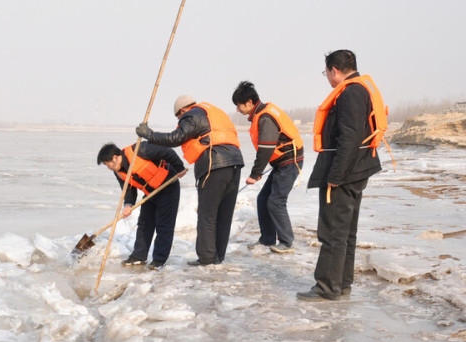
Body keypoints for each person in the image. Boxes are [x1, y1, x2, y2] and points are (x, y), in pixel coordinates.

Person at [298, 49, 387, 301]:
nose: (327, 77)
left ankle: (327, 287)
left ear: (334, 70)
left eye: (326, 72)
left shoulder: (350, 92)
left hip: (345, 171)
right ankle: (341, 283)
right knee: (346, 231)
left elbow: (349, 137)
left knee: (333, 231)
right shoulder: (360, 89)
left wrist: (335, 175)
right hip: (358, 168)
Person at [136, 96, 244, 266]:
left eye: (178, 117)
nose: (180, 121)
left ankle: (207, 258)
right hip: (235, 164)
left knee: (207, 214)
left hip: (213, 164)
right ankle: (217, 257)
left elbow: (176, 138)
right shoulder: (211, 112)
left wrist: (149, 134)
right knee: (224, 214)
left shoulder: (192, 115)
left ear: (182, 110)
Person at [232, 81, 304, 254]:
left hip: (290, 161)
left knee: (276, 201)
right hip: (281, 162)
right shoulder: (262, 113)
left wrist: (255, 174)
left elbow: (266, 148)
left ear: (249, 103)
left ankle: (287, 242)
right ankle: (267, 239)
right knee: (263, 199)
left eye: (239, 106)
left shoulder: (265, 117)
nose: (238, 110)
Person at [96, 141, 185, 269]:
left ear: (114, 158)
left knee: (164, 225)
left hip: (168, 187)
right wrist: (128, 205)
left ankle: (159, 260)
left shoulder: (141, 150)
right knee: (144, 224)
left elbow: (167, 152)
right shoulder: (118, 172)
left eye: (107, 164)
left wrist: (179, 168)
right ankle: (139, 256)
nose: (108, 168)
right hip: (150, 193)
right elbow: (128, 189)